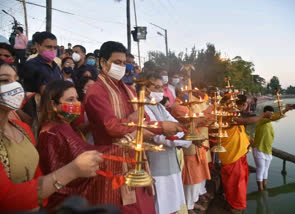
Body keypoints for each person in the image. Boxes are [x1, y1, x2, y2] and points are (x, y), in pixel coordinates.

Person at [84, 41, 183, 214]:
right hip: (112, 162)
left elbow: (143, 117)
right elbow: (112, 127)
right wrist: (158, 126)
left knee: (144, 207)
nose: (122, 67)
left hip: (136, 159)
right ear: (102, 62)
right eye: (117, 62)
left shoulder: (127, 89)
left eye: (124, 63)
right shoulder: (96, 92)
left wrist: (151, 124)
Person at [0, 60, 103, 212]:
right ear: (54, 105)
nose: (15, 87)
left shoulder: (22, 129)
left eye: (16, 80)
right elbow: (6, 198)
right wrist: (72, 170)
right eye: (4, 80)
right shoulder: (53, 131)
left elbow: (37, 178)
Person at [37, 80, 122, 210]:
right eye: (70, 100)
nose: (77, 103)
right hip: (63, 202)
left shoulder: (56, 127)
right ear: (54, 105)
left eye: (77, 98)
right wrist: (124, 145)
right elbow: (87, 156)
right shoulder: (57, 130)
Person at [143, 72, 191, 214]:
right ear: (145, 89)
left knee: (173, 206)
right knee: (161, 207)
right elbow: (159, 136)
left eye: (161, 88)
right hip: (157, 166)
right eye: (155, 88)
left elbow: (177, 127)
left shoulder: (160, 107)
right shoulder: (143, 108)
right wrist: (186, 139)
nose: (160, 91)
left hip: (172, 163)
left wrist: (184, 136)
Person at [218, 95, 273, 213]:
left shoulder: (232, 116)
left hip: (238, 154)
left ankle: (232, 203)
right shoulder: (226, 117)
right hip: (232, 156)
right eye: (230, 104)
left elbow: (240, 130)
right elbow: (247, 121)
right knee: (236, 184)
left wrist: (248, 139)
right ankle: (236, 207)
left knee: (234, 183)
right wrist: (263, 115)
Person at [252, 105, 292, 191]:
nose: (271, 115)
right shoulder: (262, 120)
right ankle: (260, 189)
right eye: (269, 113)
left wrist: (284, 111)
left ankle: (264, 186)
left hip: (268, 149)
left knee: (266, 169)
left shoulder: (269, 122)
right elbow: (274, 118)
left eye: (272, 114)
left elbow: (276, 115)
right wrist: (285, 110)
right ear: (265, 113)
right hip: (259, 148)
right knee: (261, 168)